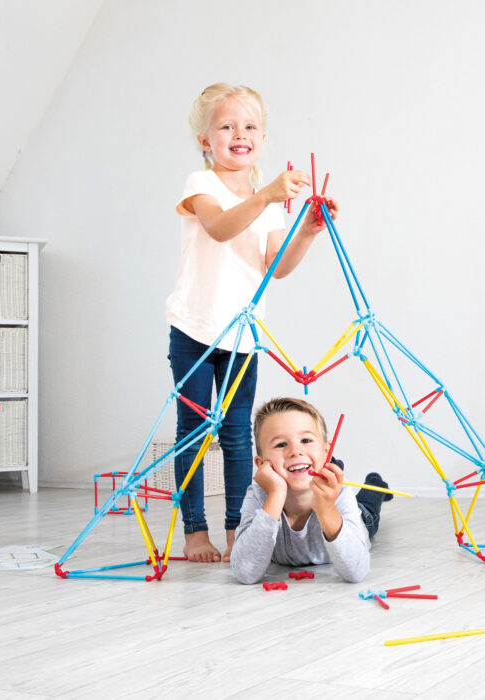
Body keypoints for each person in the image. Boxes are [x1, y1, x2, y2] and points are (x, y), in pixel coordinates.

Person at [166, 84, 338, 563]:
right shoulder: (201, 186)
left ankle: (237, 529)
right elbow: (220, 228)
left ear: (262, 137)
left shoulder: (270, 203)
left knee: (239, 435)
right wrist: (265, 194)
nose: (239, 134)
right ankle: (196, 531)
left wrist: (306, 229)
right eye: (227, 126)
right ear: (205, 139)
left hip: (241, 336)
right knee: (194, 432)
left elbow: (276, 265)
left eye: (249, 127)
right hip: (195, 330)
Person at [230, 397, 392, 584]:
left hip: (356, 519)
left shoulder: (340, 493)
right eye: (281, 444)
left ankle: (376, 482)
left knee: (368, 510)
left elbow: (356, 572)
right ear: (260, 464)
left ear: (326, 453)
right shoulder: (259, 494)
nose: (295, 451)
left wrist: (326, 509)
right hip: (287, 490)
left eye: (306, 440)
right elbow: (245, 572)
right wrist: (276, 494)